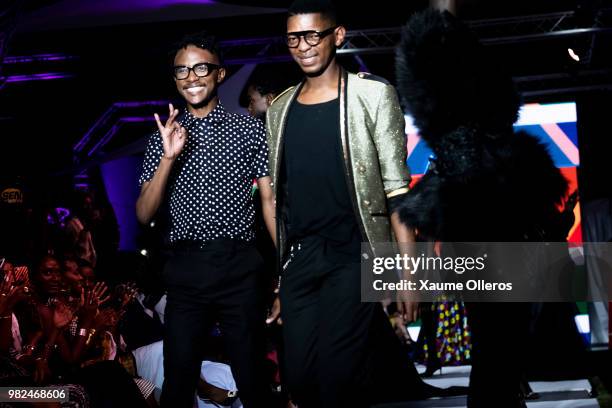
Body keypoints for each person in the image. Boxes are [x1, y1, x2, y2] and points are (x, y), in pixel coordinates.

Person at [262, 1, 436, 406]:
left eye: (312, 35)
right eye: (293, 38)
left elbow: (397, 189)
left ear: (337, 36)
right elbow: (278, 199)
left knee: (340, 377)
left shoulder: (373, 96)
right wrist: (281, 273)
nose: (302, 46)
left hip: (354, 257)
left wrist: (409, 274)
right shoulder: (279, 109)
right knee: (300, 381)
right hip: (301, 260)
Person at [136, 31, 274, 407]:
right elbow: (144, 212)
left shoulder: (247, 129)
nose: (191, 78)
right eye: (182, 71)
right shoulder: (162, 136)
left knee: (253, 376)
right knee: (178, 378)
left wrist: (288, 267)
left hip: (238, 266)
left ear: (220, 74)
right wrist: (168, 156)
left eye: (201, 68)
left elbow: (269, 200)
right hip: (186, 271)